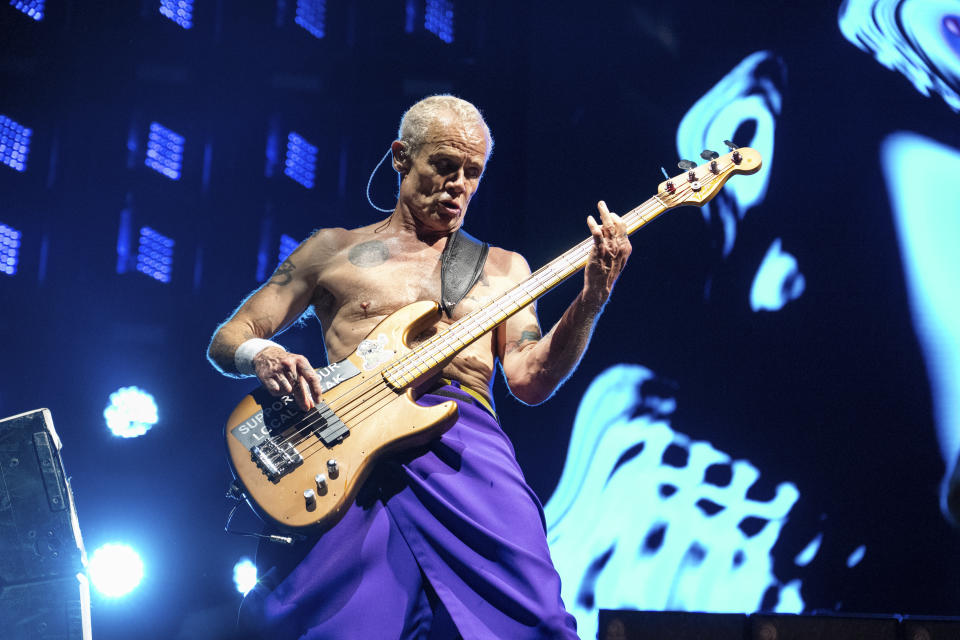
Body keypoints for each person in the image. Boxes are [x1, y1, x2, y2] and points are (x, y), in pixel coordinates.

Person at [208, 95, 632, 639]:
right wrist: (263, 354)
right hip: (349, 450)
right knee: (334, 629)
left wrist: (592, 298)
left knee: (539, 623)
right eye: (445, 166)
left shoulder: (504, 269)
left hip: (466, 449)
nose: (458, 184)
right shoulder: (331, 250)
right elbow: (230, 337)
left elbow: (529, 378)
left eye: (472, 173)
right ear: (400, 157)